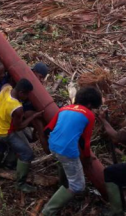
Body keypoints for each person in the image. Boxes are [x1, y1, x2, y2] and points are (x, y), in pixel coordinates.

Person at [41, 87, 103, 215]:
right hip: (66, 151)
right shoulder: (89, 115)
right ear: (90, 104)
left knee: (64, 163)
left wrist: (48, 145)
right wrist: (87, 159)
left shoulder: (64, 109)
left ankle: (62, 185)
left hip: (53, 145)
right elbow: (84, 142)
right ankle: (48, 211)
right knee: (78, 186)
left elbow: (47, 129)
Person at [0, 79, 44, 193]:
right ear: (21, 92)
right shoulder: (17, 108)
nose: (27, 97)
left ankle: (5, 164)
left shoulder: (6, 87)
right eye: (27, 94)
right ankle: (20, 184)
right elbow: (19, 127)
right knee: (27, 154)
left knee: (16, 144)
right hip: (4, 133)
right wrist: (34, 116)